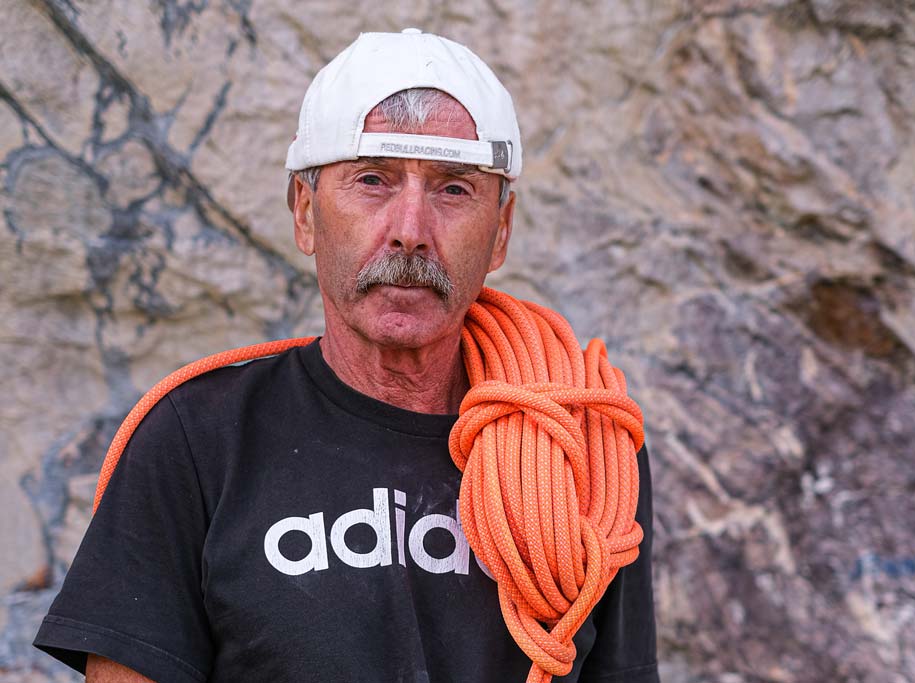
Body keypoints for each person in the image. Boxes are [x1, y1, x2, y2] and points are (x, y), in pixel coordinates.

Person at [34, 29, 659, 683]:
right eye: (372, 180)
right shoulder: (195, 439)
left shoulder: (585, 447)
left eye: (454, 190)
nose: (411, 230)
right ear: (305, 212)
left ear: (500, 230)